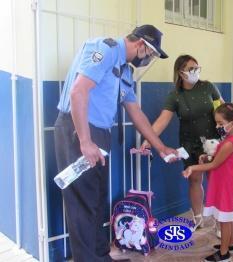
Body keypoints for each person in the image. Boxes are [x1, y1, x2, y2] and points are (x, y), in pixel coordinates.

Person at [54, 24, 177, 262]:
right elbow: (78, 92)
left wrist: (161, 147)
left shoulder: (124, 71)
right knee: (82, 203)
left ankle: (101, 256)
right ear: (141, 45)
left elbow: (136, 113)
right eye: (151, 54)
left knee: (98, 200)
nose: (149, 59)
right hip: (78, 131)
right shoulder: (105, 50)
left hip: (99, 134)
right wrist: (85, 141)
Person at [141, 54, 224, 231]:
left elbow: (222, 108)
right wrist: (149, 140)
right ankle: (198, 219)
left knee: (214, 179)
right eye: (191, 69)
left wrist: (231, 127)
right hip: (189, 144)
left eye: (197, 68)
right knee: (194, 179)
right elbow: (163, 120)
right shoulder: (175, 95)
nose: (195, 72)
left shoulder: (208, 87)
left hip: (212, 142)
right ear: (181, 73)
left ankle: (220, 222)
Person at [182, 103, 233, 262]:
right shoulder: (229, 138)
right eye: (216, 123)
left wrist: (193, 167)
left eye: (220, 123)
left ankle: (224, 253)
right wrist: (206, 157)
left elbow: (214, 165)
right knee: (228, 217)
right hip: (224, 184)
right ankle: (232, 244)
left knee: (225, 220)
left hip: (225, 187)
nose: (217, 126)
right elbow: (218, 159)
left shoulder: (229, 143)